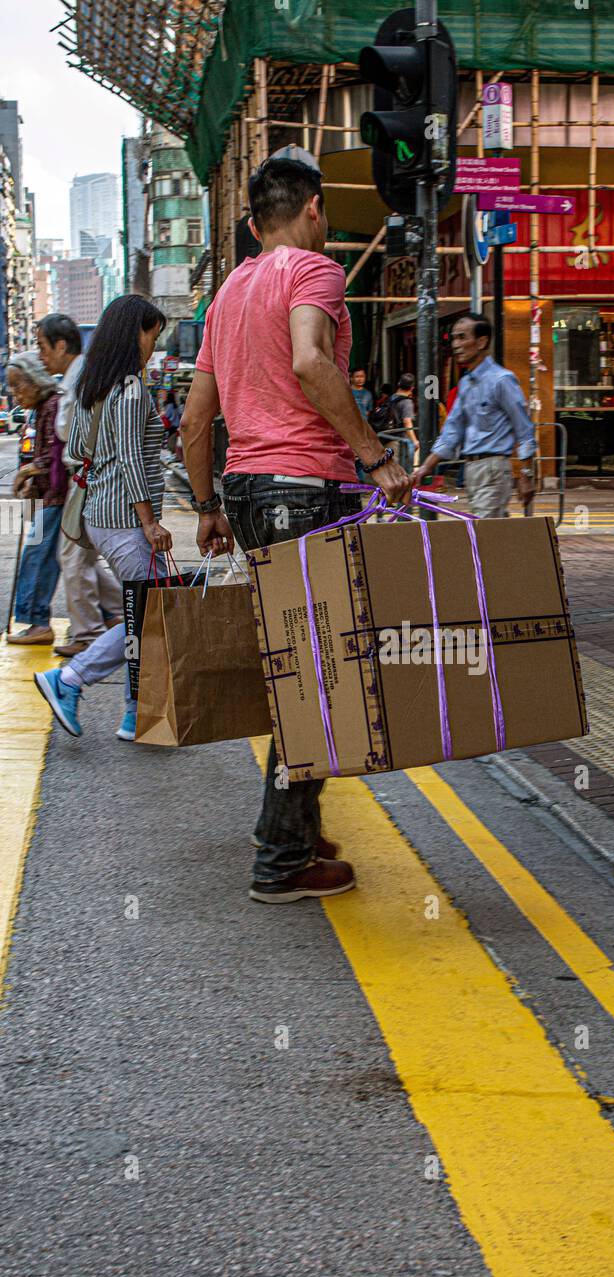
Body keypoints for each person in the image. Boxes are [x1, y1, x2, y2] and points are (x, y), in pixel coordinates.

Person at [180, 150, 409, 906]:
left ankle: (293, 827)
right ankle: (281, 859)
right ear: (314, 209)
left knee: (300, 666)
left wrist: (209, 505)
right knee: (312, 679)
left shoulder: (228, 292)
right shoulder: (315, 273)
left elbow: (193, 420)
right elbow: (313, 363)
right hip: (304, 488)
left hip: (247, 490)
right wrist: (375, 459)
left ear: (251, 224)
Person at [33, 294, 170, 742]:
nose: (154, 343)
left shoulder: (96, 385)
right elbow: (132, 458)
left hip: (101, 513)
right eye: (153, 333)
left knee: (144, 613)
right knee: (151, 615)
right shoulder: (130, 388)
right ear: (136, 333)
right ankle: (69, 678)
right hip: (127, 519)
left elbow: (75, 452)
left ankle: (135, 714)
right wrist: (149, 521)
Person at [36, 312, 123, 658]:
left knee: (73, 556)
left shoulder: (80, 376)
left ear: (61, 345)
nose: (41, 355)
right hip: (86, 476)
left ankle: (89, 632)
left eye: (43, 347)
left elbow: (73, 430)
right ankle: (121, 611)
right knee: (79, 554)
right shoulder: (76, 375)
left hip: (86, 476)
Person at [412, 314, 536, 517]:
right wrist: (425, 468)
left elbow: (524, 428)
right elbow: (452, 430)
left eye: (462, 337)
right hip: (472, 469)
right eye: (453, 338)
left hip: (493, 468)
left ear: (481, 341)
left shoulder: (501, 380)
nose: (455, 344)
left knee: (482, 532)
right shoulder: (465, 383)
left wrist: (526, 474)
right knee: (490, 533)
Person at [5, 353, 64, 646]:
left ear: (34, 381)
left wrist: (28, 471)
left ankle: (38, 622)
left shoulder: (52, 406)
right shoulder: (41, 410)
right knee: (61, 560)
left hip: (60, 497)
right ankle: (109, 615)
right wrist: (34, 484)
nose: (15, 394)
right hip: (51, 496)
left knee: (37, 556)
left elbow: (55, 454)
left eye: (18, 386)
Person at [390, 373, 419, 472]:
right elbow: (407, 422)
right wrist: (415, 440)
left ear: (399, 384)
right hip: (402, 440)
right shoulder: (407, 402)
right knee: (406, 469)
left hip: (391, 437)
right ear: (412, 388)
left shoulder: (393, 397)